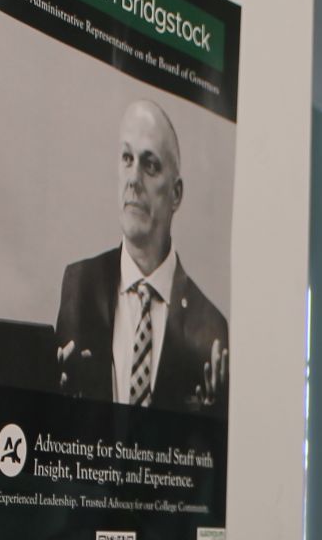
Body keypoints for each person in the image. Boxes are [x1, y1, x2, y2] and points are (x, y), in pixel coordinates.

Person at [54, 98, 229, 416]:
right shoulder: (79, 285)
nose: (133, 179)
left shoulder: (211, 327)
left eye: (150, 165)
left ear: (176, 194)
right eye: (126, 158)